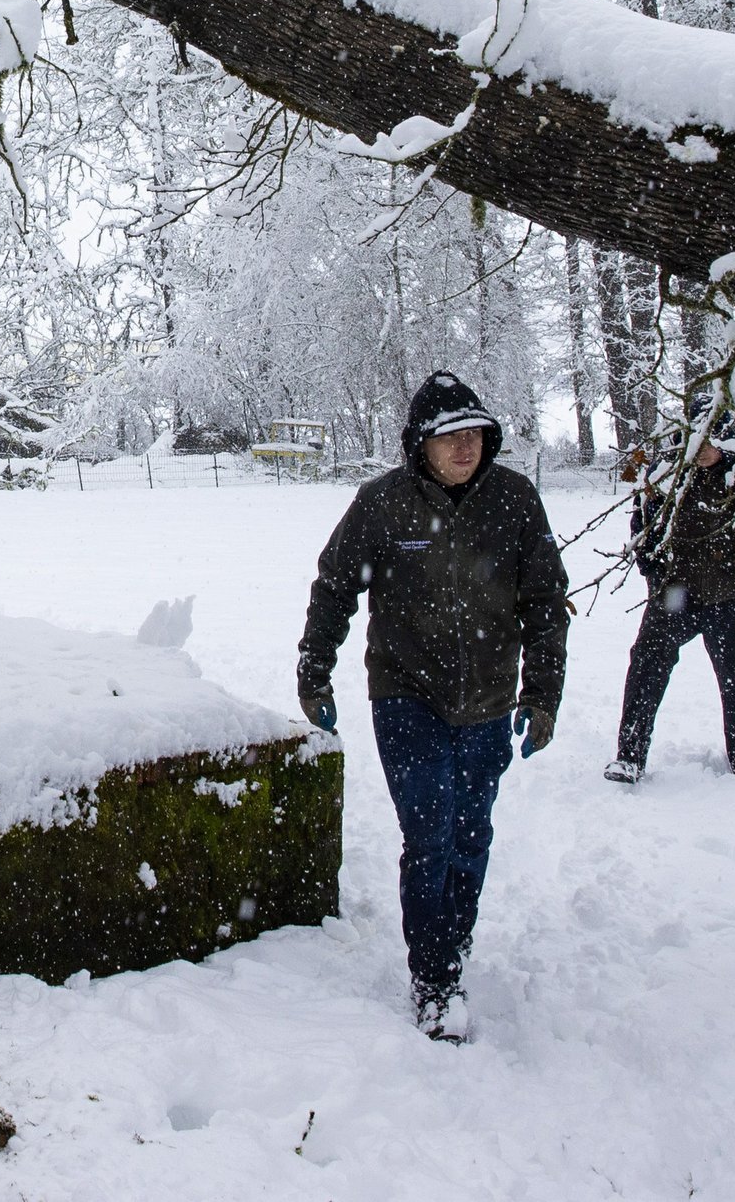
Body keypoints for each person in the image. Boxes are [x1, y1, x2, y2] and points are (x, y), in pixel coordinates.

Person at [296, 371, 568, 1041]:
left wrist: (542, 696)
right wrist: (314, 671)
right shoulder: (382, 504)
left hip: (488, 699)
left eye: (473, 433)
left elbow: (545, 603)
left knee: (470, 834)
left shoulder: (515, 501)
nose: (464, 447)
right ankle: (436, 980)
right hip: (406, 695)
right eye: (450, 437)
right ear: (421, 443)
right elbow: (335, 586)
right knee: (428, 836)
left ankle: (454, 938)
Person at [604, 410, 735, 784]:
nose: (704, 448)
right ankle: (629, 757)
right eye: (697, 439)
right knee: (645, 666)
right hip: (677, 594)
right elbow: (644, 527)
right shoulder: (666, 473)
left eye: (713, 438)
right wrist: (654, 573)